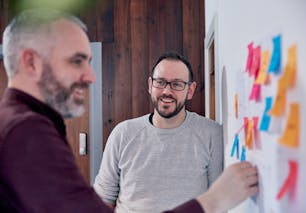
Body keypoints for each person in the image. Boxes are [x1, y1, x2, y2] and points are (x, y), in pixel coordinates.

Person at [0, 8, 258, 213]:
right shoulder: (26, 132)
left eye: (177, 84)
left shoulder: (19, 123)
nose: (91, 76)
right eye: (77, 61)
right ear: (31, 62)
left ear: (190, 90)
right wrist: (213, 201)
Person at [93, 51, 224, 213]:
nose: (166, 91)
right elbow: (102, 198)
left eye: (177, 84)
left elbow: (217, 201)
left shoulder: (212, 134)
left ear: (190, 90)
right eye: (160, 82)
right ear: (150, 85)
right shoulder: (122, 134)